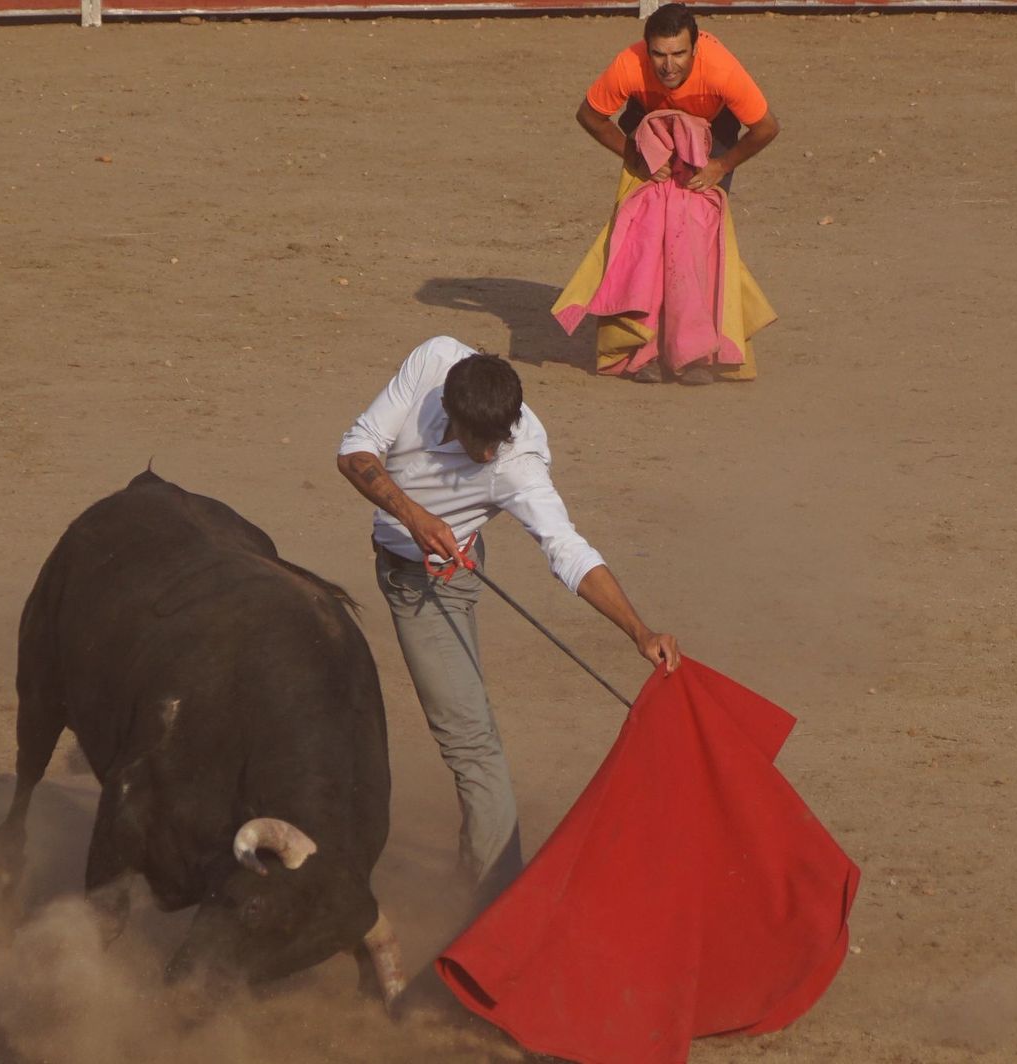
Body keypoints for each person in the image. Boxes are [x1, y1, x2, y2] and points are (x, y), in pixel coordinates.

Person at [337, 336, 681, 904]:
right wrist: (414, 517)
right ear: (448, 413)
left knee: (472, 744)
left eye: (499, 438)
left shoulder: (519, 463)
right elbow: (354, 451)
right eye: (478, 440)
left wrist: (639, 631)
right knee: (475, 736)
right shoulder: (434, 360)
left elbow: (567, 550)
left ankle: (496, 904)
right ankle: (480, 875)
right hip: (411, 562)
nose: (489, 453)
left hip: (433, 587)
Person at [567, 2, 779, 384]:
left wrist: (721, 165)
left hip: (713, 134)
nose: (668, 66)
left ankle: (694, 352)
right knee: (646, 238)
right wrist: (635, 155)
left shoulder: (721, 69)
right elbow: (589, 115)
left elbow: (766, 127)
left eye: (679, 54)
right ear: (646, 49)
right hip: (647, 128)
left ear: (696, 48)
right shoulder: (629, 64)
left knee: (695, 238)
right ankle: (643, 349)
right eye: (659, 55)